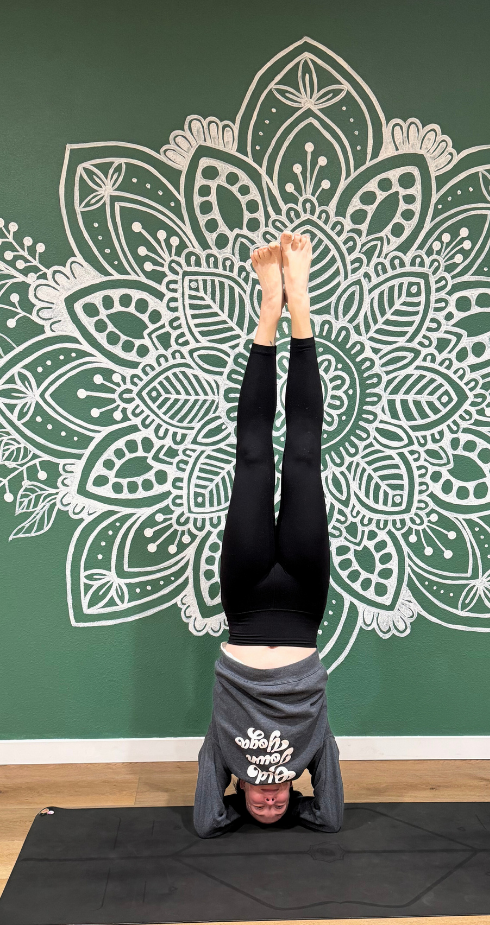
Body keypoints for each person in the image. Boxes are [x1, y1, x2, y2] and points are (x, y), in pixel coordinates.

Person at [193, 232, 345, 838]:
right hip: (305, 602)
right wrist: (311, 806)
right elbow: (331, 817)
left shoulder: (225, 757)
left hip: (247, 599)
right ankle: (299, 306)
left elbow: (206, 823)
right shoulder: (310, 754)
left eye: (259, 808)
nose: (267, 806)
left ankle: (267, 311)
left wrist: (226, 803)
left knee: (253, 457)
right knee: (304, 458)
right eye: (277, 808)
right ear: (293, 794)